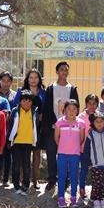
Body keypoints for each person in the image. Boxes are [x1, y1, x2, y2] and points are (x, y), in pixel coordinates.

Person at [42, 61, 79, 192]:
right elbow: (46, 108)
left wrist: (67, 122)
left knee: (66, 155)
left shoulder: (72, 89)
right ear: (57, 72)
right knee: (51, 154)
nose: (64, 72)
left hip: (68, 129)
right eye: (61, 69)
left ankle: (66, 181)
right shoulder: (51, 88)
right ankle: (52, 179)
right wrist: (52, 123)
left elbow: (76, 108)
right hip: (53, 127)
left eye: (66, 70)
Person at [12, 68, 46, 189]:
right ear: (27, 79)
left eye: (36, 77)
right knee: (23, 155)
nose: (33, 80)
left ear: (39, 79)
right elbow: (15, 106)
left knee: (37, 152)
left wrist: (41, 116)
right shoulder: (21, 91)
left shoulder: (44, 92)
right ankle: (23, 179)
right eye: (31, 77)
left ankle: (35, 180)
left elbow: (46, 107)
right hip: (23, 127)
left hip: (38, 127)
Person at [7, 90, 39, 195]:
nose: (26, 104)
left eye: (29, 101)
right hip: (16, 142)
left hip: (28, 142)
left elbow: (36, 126)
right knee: (16, 164)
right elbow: (11, 126)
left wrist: (35, 139)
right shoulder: (15, 111)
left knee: (26, 165)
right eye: (24, 101)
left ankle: (26, 184)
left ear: (32, 102)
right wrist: (8, 139)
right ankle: (16, 183)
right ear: (20, 101)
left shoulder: (34, 111)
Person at [55, 99, 85, 207]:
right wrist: (63, 146)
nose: (71, 111)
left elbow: (81, 139)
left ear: (77, 110)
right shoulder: (60, 122)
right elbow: (56, 137)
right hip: (62, 154)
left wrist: (74, 147)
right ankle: (61, 197)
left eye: (74, 109)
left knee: (73, 176)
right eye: (69, 109)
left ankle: (73, 197)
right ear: (65, 110)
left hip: (75, 154)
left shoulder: (81, 123)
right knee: (62, 176)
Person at [78, 94, 99, 199]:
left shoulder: (99, 116)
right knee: (84, 170)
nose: (91, 105)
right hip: (83, 149)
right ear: (86, 104)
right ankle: (82, 189)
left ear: (97, 105)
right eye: (89, 103)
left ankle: (94, 191)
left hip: (95, 150)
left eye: (94, 103)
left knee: (94, 171)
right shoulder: (80, 117)